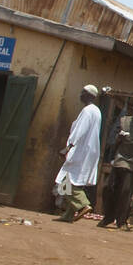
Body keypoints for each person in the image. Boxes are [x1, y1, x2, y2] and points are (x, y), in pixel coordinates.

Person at [98, 101, 133, 230]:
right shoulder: (124, 121)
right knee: (109, 188)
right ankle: (108, 217)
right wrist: (119, 138)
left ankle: (121, 220)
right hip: (120, 158)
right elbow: (114, 142)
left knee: (125, 191)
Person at [55, 86, 102, 221]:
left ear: (88, 95)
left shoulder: (87, 111)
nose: (80, 95)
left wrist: (69, 146)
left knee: (65, 181)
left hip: (80, 150)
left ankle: (83, 205)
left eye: (82, 92)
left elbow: (80, 130)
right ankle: (69, 215)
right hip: (89, 151)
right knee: (76, 181)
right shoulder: (96, 111)